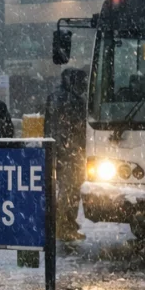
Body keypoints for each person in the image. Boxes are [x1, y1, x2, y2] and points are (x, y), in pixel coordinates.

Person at [46, 68, 89, 242]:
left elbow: (49, 126)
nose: (83, 86)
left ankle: (62, 224)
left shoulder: (54, 97)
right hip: (71, 152)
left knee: (63, 190)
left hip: (56, 150)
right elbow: (80, 128)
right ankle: (65, 227)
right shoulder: (74, 100)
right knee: (71, 191)